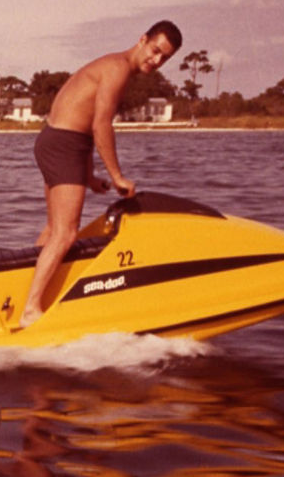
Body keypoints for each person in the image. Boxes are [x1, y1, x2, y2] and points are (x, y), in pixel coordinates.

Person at [17, 20, 182, 329]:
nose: (157, 61)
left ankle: (21, 294)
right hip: (64, 143)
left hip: (62, 142)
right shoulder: (118, 68)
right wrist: (117, 175)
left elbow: (85, 121)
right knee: (66, 232)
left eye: (165, 58)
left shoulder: (114, 66)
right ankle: (30, 309)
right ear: (142, 39)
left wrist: (90, 174)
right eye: (155, 50)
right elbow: (101, 124)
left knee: (54, 229)